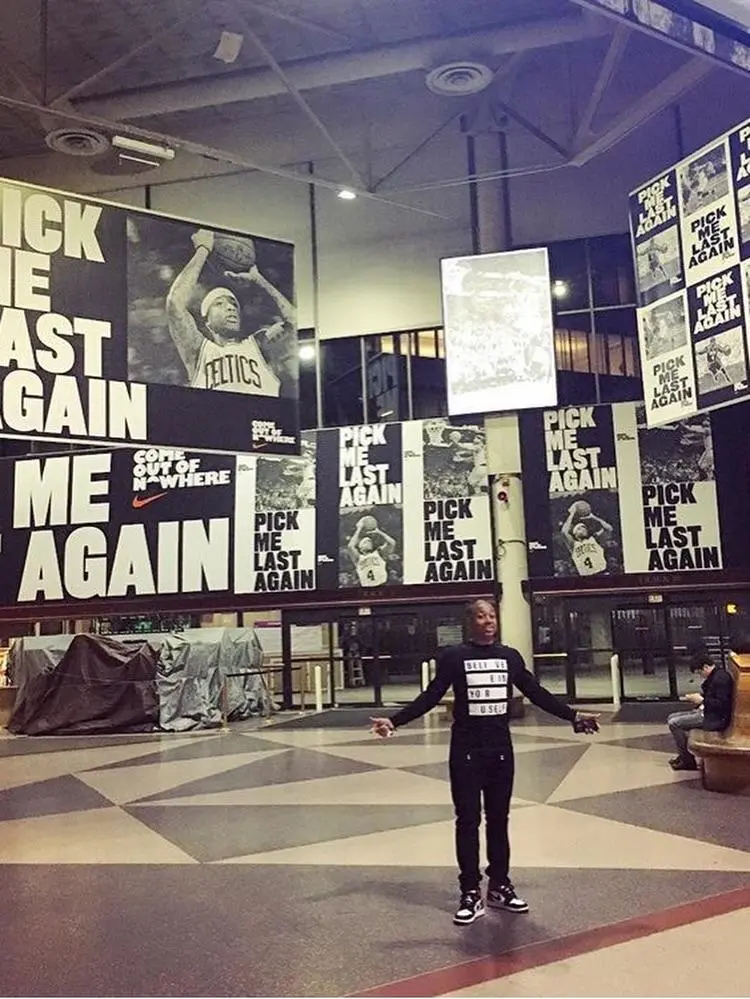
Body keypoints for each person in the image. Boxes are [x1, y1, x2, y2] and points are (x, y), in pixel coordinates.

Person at [370, 599, 599, 926]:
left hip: (500, 750)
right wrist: (395, 721)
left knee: (499, 819)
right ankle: (470, 891)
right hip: (465, 750)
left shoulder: (510, 657)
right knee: (467, 821)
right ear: (470, 621)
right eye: (481, 616)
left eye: (492, 615)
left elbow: (535, 692)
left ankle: (499, 886)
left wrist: (573, 716)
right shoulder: (454, 657)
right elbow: (432, 695)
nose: (489, 620)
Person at [166, 228, 294, 395]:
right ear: (207, 321)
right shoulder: (199, 351)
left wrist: (259, 280)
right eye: (219, 304)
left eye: (233, 304)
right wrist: (203, 250)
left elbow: (295, 322)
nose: (230, 307)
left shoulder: (259, 345)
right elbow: (175, 304)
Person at [667, 647, 734, 771]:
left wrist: (701, 700)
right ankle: (683, 756)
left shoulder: (720, 679)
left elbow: (722, 705)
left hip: (715, 718)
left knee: (674, 723)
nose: (700, 676)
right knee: (671, 717)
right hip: (708, 712)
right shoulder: (717, 676)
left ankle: (687, 760)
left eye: (699, 672)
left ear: (706, 667)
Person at [561, 503, 612, 576]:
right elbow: (564, 532)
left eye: (584, 528)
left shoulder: (594, 539)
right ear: (575, 533)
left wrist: (593, 517)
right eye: (579, 528)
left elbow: (609, 529)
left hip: (602, 573)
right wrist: (572, 514)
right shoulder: (573, 545)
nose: (583, 529)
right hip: (586, 577)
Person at [347, 517, 396, 587]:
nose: (368, 542)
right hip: (367, 587)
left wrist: (379, 532)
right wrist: (359, 529)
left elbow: (392, 543)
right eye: (365, 542)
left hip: (383, 585)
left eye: (369, 541)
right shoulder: (358, 558)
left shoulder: (379, 553)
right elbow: (350, 546)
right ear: (360, 548)